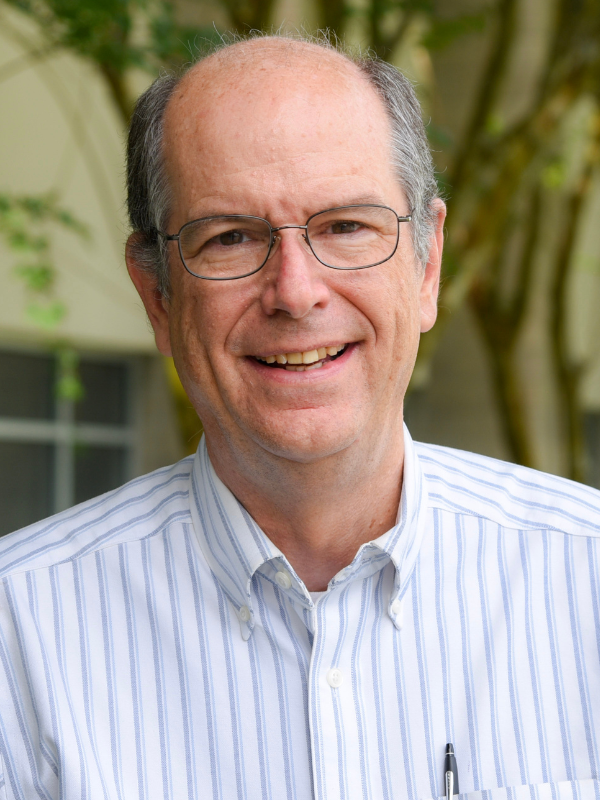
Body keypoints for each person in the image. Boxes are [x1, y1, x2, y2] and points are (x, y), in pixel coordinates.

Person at [1, 34, 599, 800]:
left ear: (427, 265)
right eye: (230, 238)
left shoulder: (588, 584)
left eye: (346, 227)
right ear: (157, 298)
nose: (295, 291)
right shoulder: (18, 634)